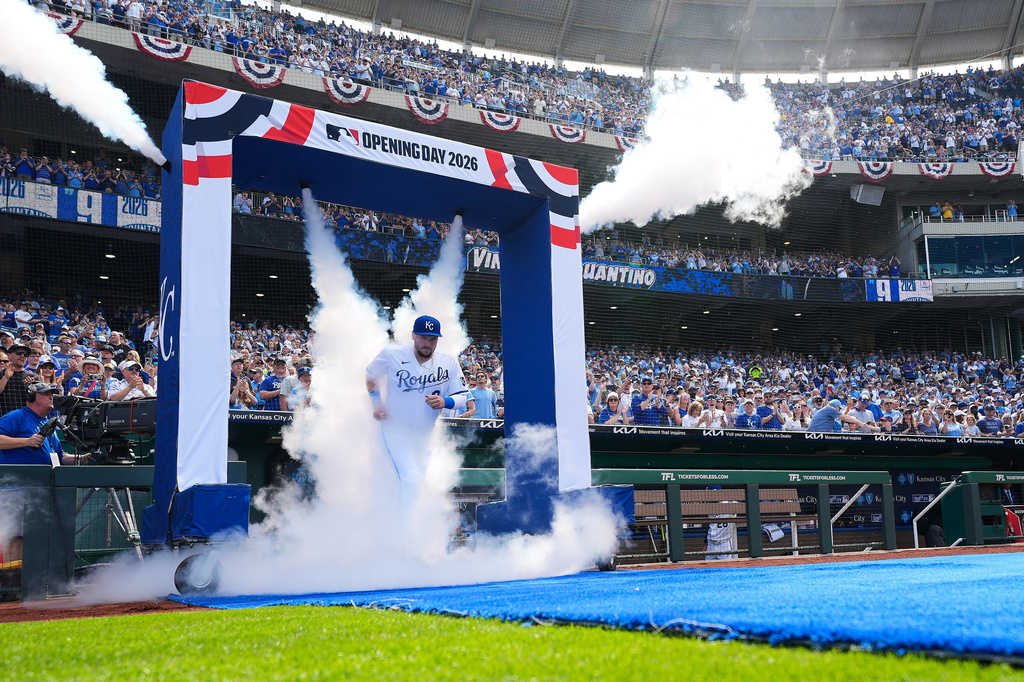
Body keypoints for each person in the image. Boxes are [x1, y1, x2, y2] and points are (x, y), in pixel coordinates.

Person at [365, 315, 470, 521]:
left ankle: (394, 529)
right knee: (410, 479)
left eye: (433, 339)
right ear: (413, 335)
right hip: (395, 429)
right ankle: (403, 537)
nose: (427, 343)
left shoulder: (448, 361)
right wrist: (377, 403)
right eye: (423, 337)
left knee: (415, 484)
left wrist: (445, 402)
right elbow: (371, 376)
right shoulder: (392, 353)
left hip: (423, 435)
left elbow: (463, 397)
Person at [0, 383, 84, 465]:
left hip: (43, 477)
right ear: (31, 397)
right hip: (16, 477)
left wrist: (84, 458)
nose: (51, 397)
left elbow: (60, 456)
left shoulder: (49, 424)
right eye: (46, 394)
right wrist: (27, 441)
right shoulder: (16, 416)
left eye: (52, 394)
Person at [807, 399, 880, 432]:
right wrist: (860, 423)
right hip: (813, 436)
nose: (839, 410)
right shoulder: (829, 409)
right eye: (839, 408)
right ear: (835, 407)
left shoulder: (831, 417)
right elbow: (845, 417)